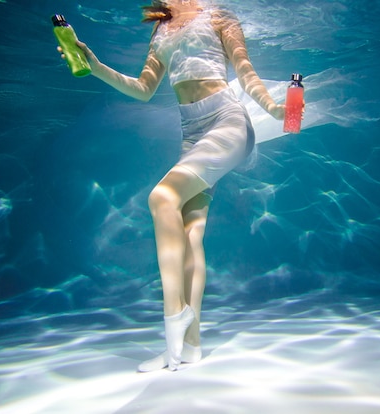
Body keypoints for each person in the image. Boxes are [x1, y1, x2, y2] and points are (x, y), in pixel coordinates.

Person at [58, 0, 294, 371]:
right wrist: (96, 66)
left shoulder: (219, 16)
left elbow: (246, 73)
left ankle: (175, 318)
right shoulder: (161, 28)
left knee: (162, 197)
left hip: (227, 123)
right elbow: (143, 88)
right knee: (189, 233)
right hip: (192, 133)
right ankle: (190, 346)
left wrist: (275, 109)